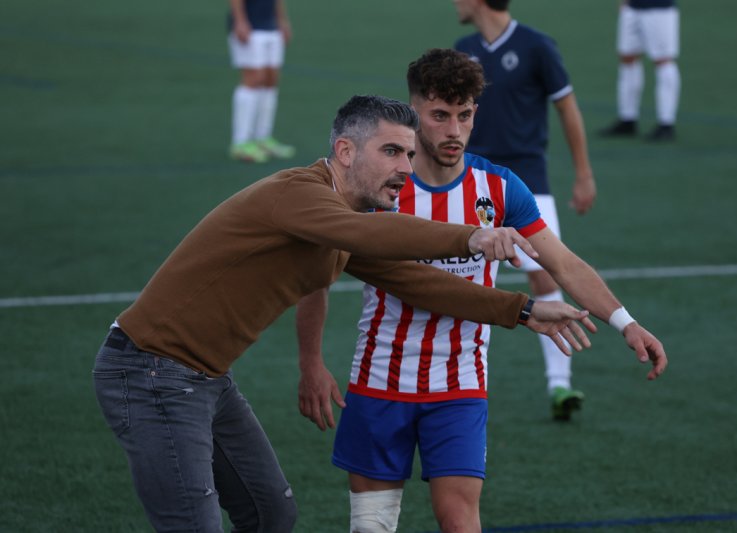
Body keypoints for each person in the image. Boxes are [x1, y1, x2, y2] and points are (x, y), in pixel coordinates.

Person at [92, 94, 598, 532]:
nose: (406, 165)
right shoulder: (300, 196)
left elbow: (413, 279)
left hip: (205, 379)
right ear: (345, 151)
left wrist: (523, 309)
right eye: (391, 151)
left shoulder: (341, 221)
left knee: (271, 515)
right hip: (150, 371)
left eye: (408, 151)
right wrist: (471, 235)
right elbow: (371, 235)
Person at [295, 49, 668, 533]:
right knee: (371, 526)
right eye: (439, 116)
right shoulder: (380, 190)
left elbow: (563, 263)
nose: (453, 130)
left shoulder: (500, 187)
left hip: (460, 387)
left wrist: (626, 322)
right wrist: (310, 364)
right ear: (414, 114)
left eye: (465, 115)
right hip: (378, 379)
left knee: (460, 521)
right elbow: (316, 278)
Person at [453, 0, 598, 420]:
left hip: (529, 183)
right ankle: (459, 380)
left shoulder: (536, 45)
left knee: (544, 270)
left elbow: (568, 109)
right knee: (462, 274)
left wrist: (583, 174)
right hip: (474, 182)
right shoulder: (463, 48)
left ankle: (560, 384)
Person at [599, 0, 681, 141]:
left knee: (663, 60)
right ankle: (628, 118)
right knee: (627, 57)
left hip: (659, 8)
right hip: (633, 7)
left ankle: (666, 123)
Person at [227, 0, 296, 163]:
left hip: (270, 26)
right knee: (253, 79)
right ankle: (240, 142)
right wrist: (240, 21)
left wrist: (282, 21)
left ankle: (263, 138)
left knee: (271, 80)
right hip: (251, 26)